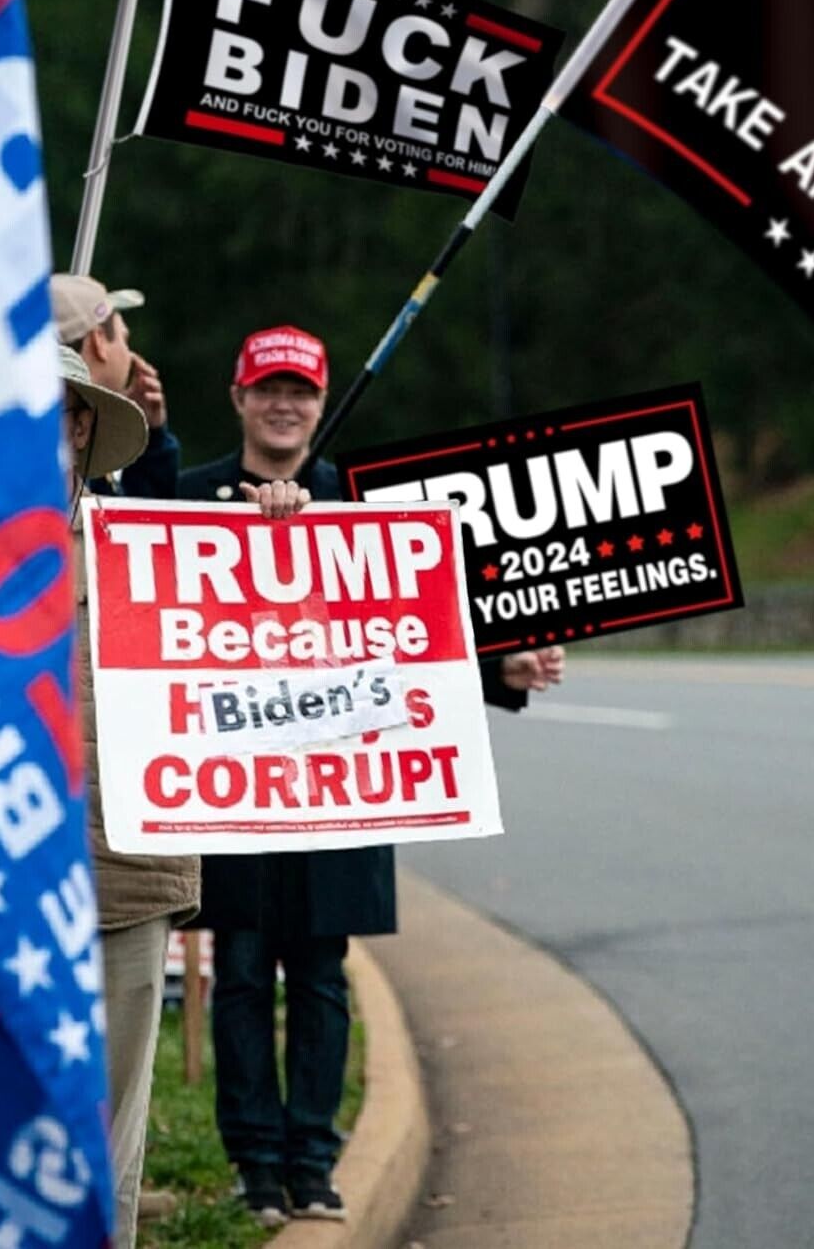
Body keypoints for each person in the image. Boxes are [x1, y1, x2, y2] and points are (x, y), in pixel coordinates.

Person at [177, 325, 565, 1225]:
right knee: (238, 970)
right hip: (229, 788)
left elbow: (412, 645)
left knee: (318, 972)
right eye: (267, 389)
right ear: (238, 397)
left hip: (343, 789)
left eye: (301, 392)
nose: (284, 405)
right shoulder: (184, 500)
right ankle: (253, 1165)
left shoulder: (368, 504)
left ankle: (312, 1163)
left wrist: (498, 673)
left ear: (319, 403)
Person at [60, 342, 309, 1247]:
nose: (45, 431)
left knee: (114, 1131)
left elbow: (283, 641)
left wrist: (284, 540)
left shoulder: (155, 545)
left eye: (66, 414)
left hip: (127, 870)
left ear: (86, 431)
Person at [52, 273, 179, 498]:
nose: (130, 355)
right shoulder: (70, 451)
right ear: (99, 340)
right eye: (125, 339)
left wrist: (153, 442)